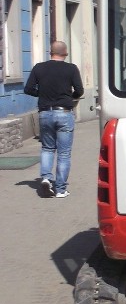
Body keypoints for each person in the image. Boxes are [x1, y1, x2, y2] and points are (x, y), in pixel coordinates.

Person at [24, 41, 84, 198]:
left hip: (45, 113)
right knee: (64, 153)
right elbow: (79, 90)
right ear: (65, 53)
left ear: (51, 52)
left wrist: (42, 94)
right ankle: (61, 189)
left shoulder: (39, 67)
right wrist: (69, 98)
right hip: (64, 112)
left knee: (47, 148)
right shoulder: (71, 68)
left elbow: (28, 88)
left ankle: (45, 178)